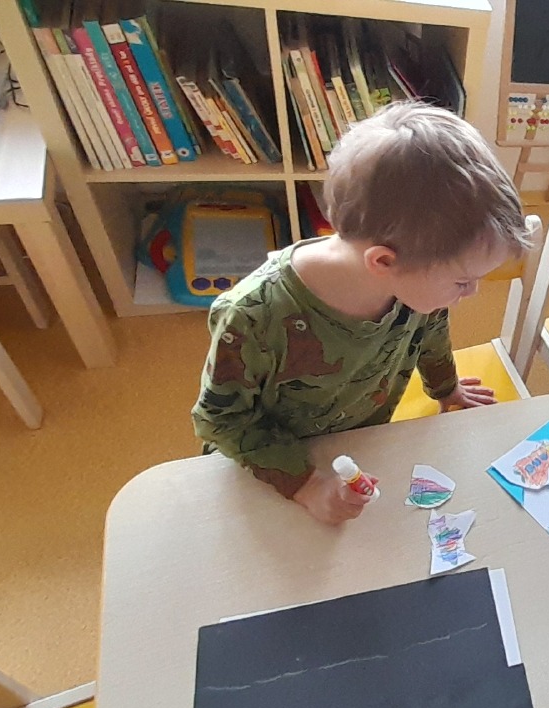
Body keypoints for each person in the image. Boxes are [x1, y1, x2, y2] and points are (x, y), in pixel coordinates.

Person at [192, 102, 531, 524]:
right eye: (463, 282)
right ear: (383, 262)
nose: (473, 293)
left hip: (354, 447)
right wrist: (305, 484)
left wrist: (446, 389)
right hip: (264, 470)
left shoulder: (412, 284)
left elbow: (430, 333)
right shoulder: (252, 317)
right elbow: (221, 420)